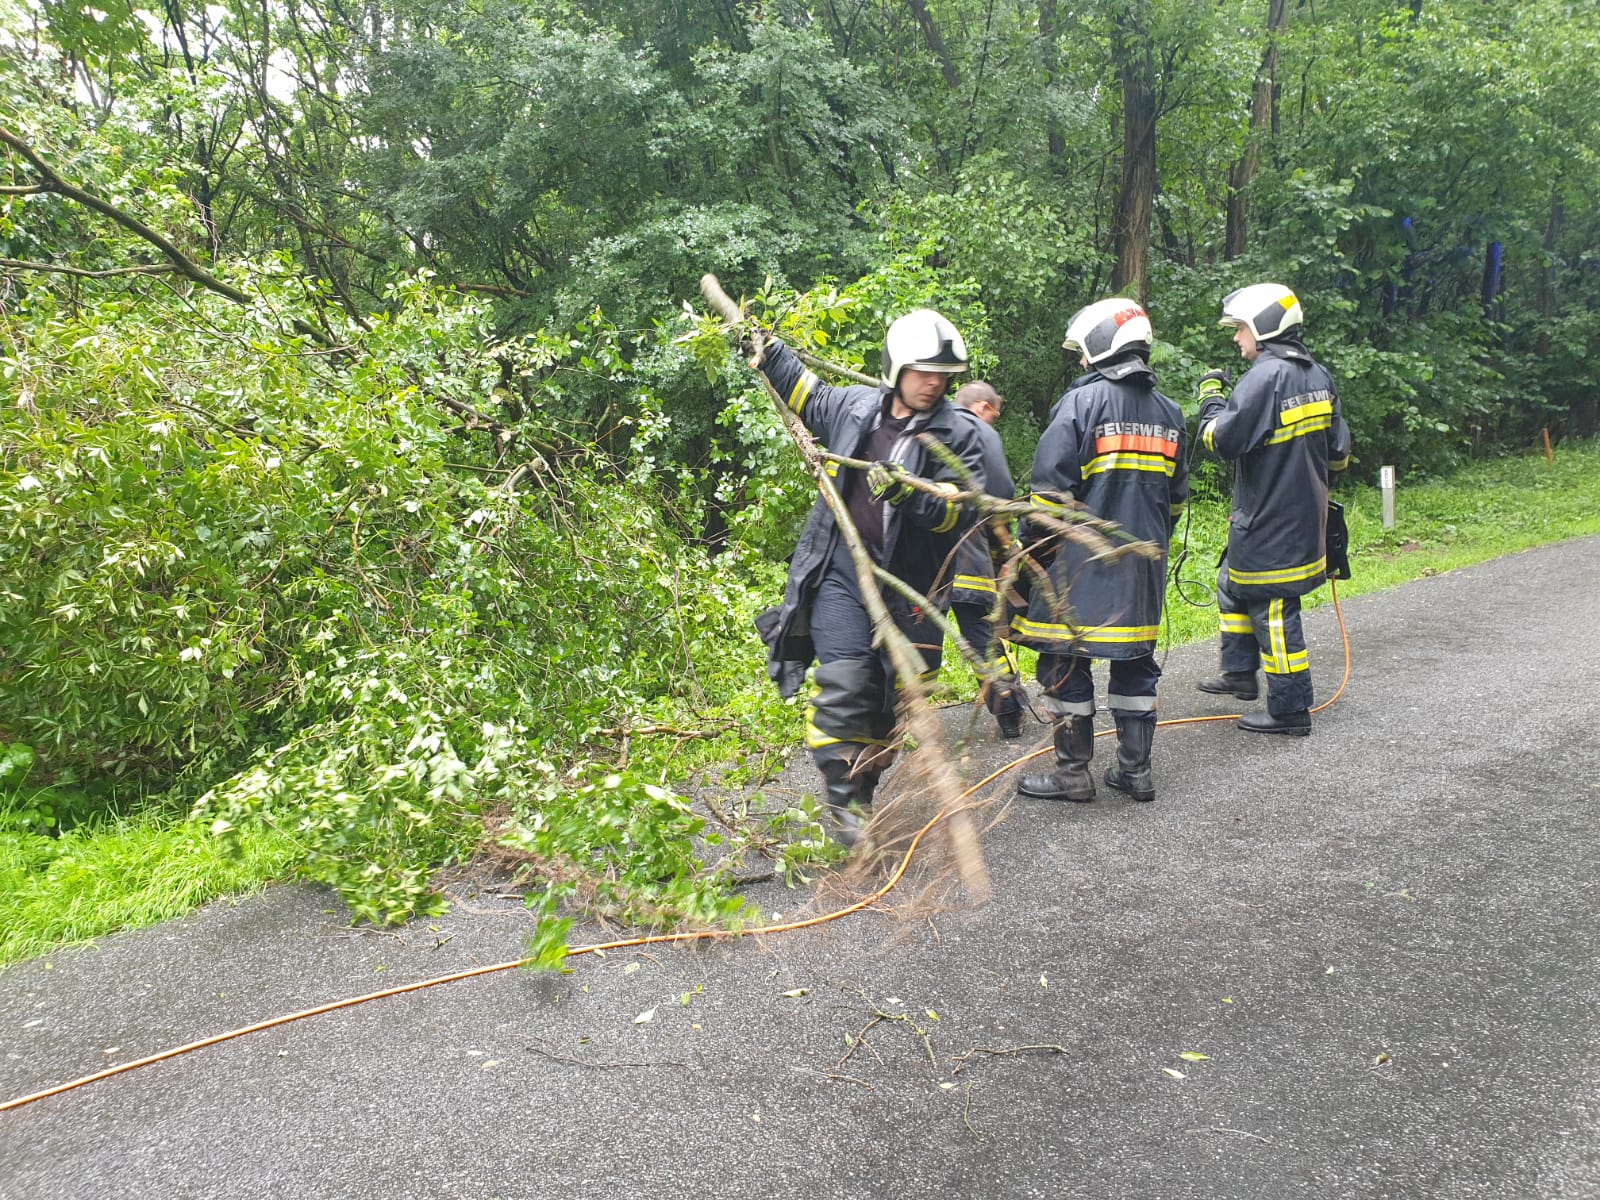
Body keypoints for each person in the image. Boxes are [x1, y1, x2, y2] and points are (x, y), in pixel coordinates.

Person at [750, 310, 991, 847]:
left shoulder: (958, 434)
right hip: (841, 575)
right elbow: (807, 393)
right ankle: (843, 801)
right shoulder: (855, 408)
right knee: (846, 683)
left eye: (943, 375)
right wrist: (765, 348)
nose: (934, 383)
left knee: (888, 709)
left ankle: (863, 792)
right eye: (923, 372)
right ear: (896, 368)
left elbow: (959, 510)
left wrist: (912, 494)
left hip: (912, 591)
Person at [1012, 298, 1188, 803]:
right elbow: (1175, 502)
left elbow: (1049, 499)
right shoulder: (1170, 414)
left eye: (1084, 352)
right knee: (1136, 664)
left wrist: (1028, 556)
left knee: (1065, 663)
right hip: (1143, 570)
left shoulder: (1081, 405)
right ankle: (1136, 772)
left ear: (1099, 345)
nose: (1083, 361)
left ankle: (1073, 775)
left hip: (1078, 569)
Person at [1194, 282, 1353, 736]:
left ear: (1263, 328)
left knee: (1275, 611)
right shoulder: (1317, 375)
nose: (1236, 337)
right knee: (1231, 582)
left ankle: (1289, 708)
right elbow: (1339, 453)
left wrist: (1210, 399)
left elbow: (1221, 440)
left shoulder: (1264, 378)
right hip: (1300, 518)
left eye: (1240, 328)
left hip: (1270, 520)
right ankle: (1239, 672)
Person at [944, 381, 1027, 740]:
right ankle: (1009, 712)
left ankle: (891, 729)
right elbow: (1000, 495)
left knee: (912, 644)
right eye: (995, 414)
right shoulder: (979, 431)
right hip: (966, 561)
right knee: (984, 640)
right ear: (981, 407)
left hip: (916, 568)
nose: (994, 422)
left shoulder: (921, 421)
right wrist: (1001, 555)